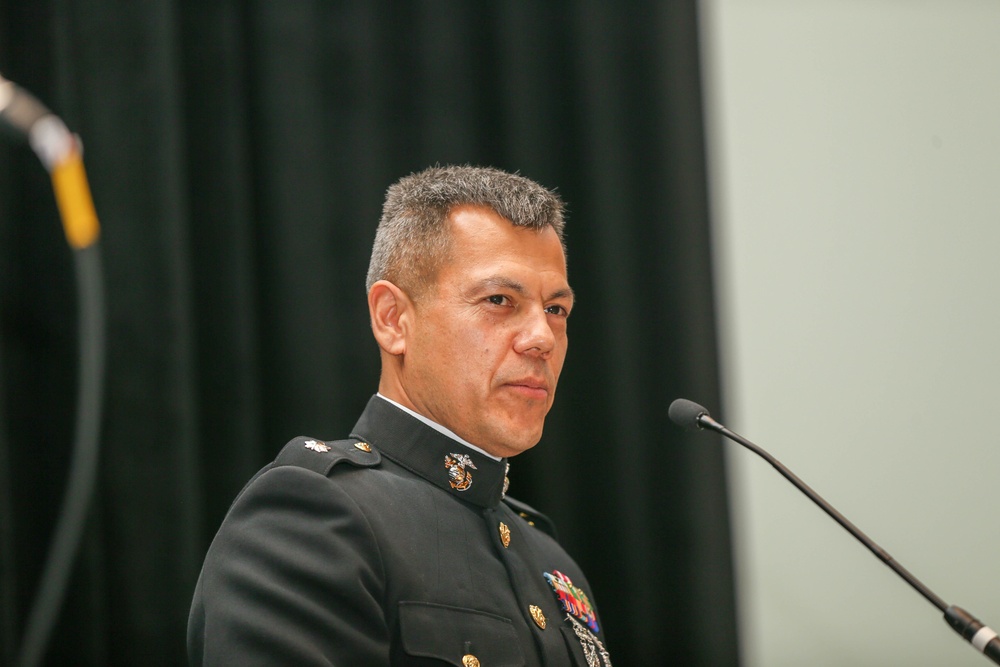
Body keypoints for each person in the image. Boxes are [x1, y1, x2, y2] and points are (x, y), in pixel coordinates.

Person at [187, 165, 612, 666]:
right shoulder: (316, 517)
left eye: (556, 310)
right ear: (393, 319)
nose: (542, 338)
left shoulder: (552, 564)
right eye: (499, 300)